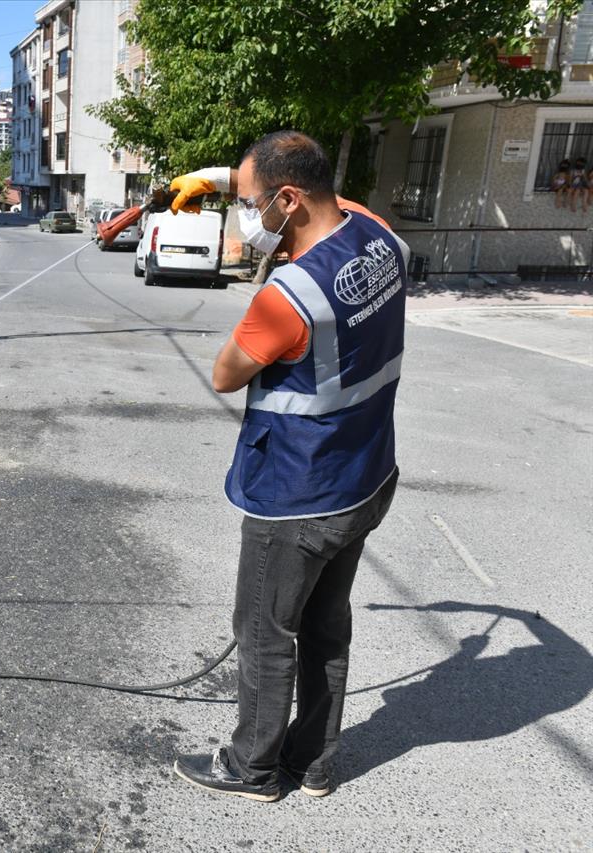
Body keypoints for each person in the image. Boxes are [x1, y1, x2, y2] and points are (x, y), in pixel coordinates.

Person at [166, 131, 407, 802]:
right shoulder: (382, 240)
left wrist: (269, 264)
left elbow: (224, 373)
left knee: (267, 632)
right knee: (326, 625)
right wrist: (222, 179)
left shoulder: (288, 296)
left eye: (250, 203)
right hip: (366, 478)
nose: (245, 216)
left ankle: (254, 767)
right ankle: (316, 763)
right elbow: (337, 203)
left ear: (290, 198)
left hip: (299, 496)